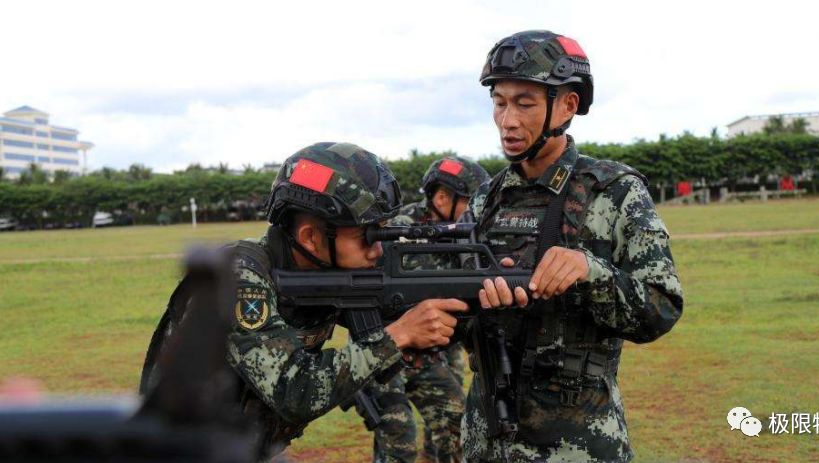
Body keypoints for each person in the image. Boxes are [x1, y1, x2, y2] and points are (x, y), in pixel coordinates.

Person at [140, 142, 467, 462]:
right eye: (367, 235)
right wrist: (399, 335)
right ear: (311, 236)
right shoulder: (241, 279)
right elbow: (295, 390)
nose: (377, 249)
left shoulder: (327, 268)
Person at [461, 30, 684, 462]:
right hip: (484, 440)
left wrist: (589, 273)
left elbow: (662, 308)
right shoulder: (485, 200)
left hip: (577, 446)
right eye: (499, 101)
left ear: (567, 105)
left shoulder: (615, 192)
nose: (507, 119)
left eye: (524, 103)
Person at [363, 156, 490, 463]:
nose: (477, 212)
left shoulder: (465, 235)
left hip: (431, 353)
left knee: (457, 426)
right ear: (442, 197)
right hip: (385, 353)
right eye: (470, 203)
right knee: (398, 438)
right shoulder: (396, 230)